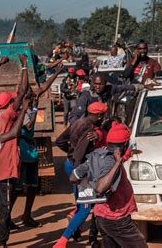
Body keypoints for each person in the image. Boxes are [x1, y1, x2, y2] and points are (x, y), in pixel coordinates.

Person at [70, 122, 147, 247]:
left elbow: (73, 177)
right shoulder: (113, 163)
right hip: (116, 219)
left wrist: (90, 180)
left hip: (101, 216)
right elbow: (100, 188)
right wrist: (117, 164)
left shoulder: (97, 154)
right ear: (125, 144)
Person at [54, 102, 108, 247]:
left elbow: (59, 141)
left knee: (81, 202)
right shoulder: (89, 130)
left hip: (70, 164)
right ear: (98, 115)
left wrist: (70, 153)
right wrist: (78, 174)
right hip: (80, 169)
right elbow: (80, 154)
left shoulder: (77, 122)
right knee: (86, 208)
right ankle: (62, 241)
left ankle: (74, 224)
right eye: (102, 116)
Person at [0, 96, 30, 246]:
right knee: (4, 208)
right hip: (3, 171)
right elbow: (13, 133)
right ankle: (2, 243)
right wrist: (24, 109)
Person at [68, 72, 144, 124]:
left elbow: (124, 87)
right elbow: (74, 116)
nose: (98, 87)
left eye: (100, 84)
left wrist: (142, 86)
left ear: (105, 84)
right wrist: (82, 127)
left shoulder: (109, 89)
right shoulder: (86, 96)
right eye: (96, 84)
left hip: (105, 126)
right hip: (89, 128)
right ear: (92, 83)